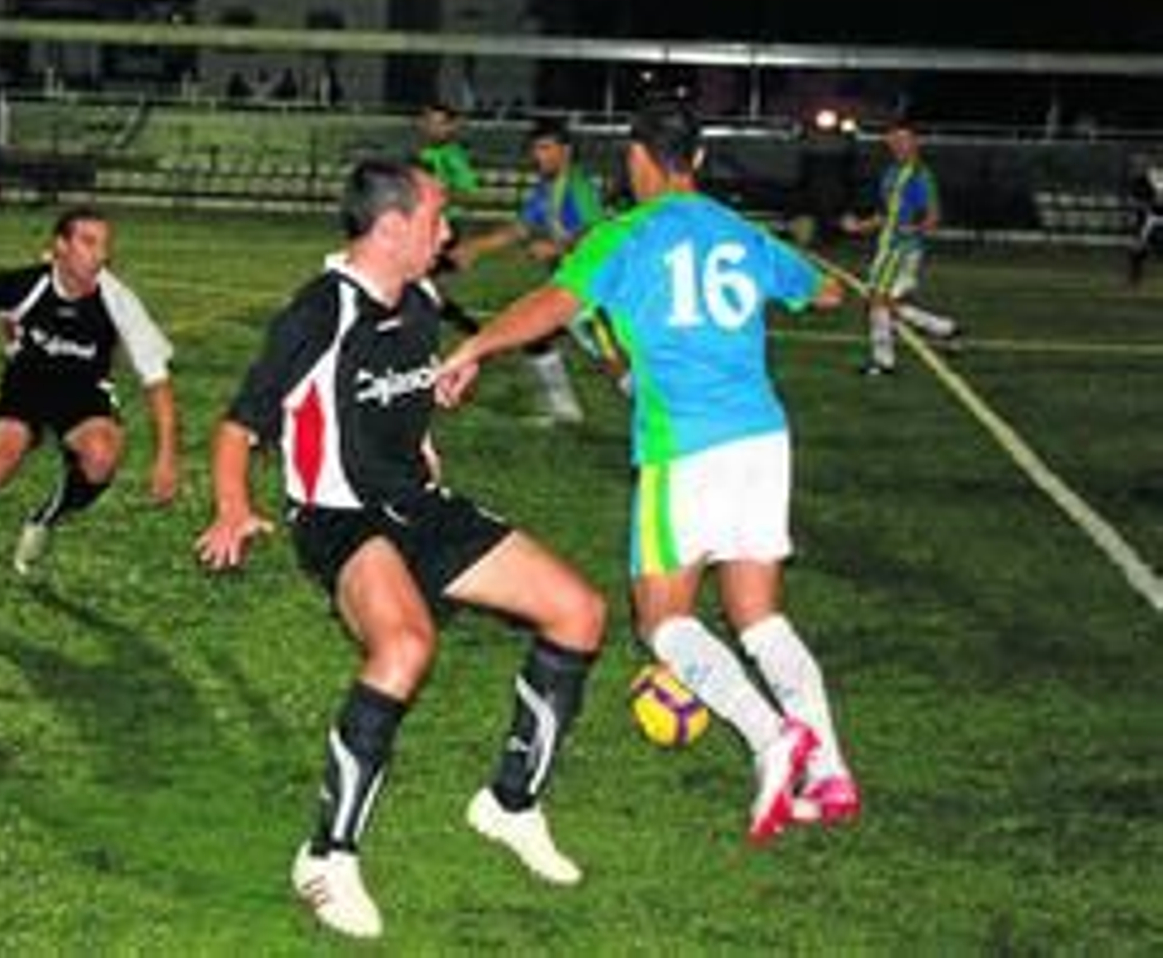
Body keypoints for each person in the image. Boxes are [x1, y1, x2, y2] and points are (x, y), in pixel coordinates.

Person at [195, 159, 605, 940]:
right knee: (404, 647)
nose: (448, 234)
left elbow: (402, 389)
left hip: (417, 505)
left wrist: (435, 405)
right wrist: (232, 507)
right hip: (338, 517)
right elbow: (239, 424)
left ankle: (510, 806)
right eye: (436, 220)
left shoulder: (419, 298)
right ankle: (326, 856)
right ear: (389, 229)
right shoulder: (317, 312)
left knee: (578, 612)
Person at [438, 104, 859, 846]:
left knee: (663, 621)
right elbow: (823, 293)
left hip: (685, 447)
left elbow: (551, 303)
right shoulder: (738, 231)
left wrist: (474, 348)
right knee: (760, 617)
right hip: (762, 438)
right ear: (693, 157)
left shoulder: (625, 236)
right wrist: (811, 273)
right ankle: (828, 769)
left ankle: (771, 737)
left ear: (640, 159)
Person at [0, 205, 178, 596]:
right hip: (27, 383)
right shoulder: (25, 285)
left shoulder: (119, 302)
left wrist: (166, 457)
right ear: (60, 246)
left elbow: (157, 381)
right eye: (88, 242)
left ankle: (46, 518)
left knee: (102, 456)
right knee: (0, 458)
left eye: (104, 245)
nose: (100, 254)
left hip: (84, 390)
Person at [454, 117, 625, 422]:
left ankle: (661, 415)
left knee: (615, 361)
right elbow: (519, 229)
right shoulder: (547, 189)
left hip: (594, 289)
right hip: (571, 287)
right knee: (536, 339)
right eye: (535, 149)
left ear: (567, 151)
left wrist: (557, 248)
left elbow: (598, 233)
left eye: (546, 148)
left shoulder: (577, 186)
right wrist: (475, 247)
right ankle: (565, 411)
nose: (538, 156)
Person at [840, 117, 960, 375]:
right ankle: (945, 328)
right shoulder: (891, 173)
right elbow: (885, 214)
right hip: (888, 246)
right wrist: (859, 226)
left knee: (877, 300)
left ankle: (883, 361)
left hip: (900, 247)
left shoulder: (920, 175)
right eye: (893, 141)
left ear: (915, 142)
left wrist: (914, 230)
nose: (898, 145)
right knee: (886, 302)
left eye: (904, 140)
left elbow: (933, 217)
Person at [414, 102, 482, 336]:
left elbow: (470, 191)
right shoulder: (425, 153)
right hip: (421, 228)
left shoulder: (454, 155)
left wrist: (441, 192)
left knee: (420, 285)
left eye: (440, 123)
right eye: (429, 121)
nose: (433, 127)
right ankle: (469, 329)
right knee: (425, 287)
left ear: (452, 126)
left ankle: (468, 331)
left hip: (442, 230)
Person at [1125, 156, 1163, 285]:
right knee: (1138, 246)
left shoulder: (1154, 177)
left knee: (1141, 246)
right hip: (1152, 216)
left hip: (1155, 216)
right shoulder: (1142, 180)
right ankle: (1135, 278)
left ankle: (1135, 277)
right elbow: (1135, 200)